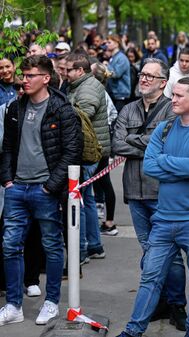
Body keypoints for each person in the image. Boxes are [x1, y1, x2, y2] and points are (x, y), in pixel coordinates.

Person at [116, 77, 189, 337]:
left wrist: (166, 162)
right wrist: (181, 166)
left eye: (178, 95)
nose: (172, 99)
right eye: (172, 94)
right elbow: (149, 167)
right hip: (163, 219)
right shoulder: (163, 128)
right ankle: (133, 331)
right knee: (150, 278)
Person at [0, 55, 82, 326]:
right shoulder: (16, 107)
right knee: (10, 245)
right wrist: (8, 180)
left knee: (52, 245)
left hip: (44, 189)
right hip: (17, 188)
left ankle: (51, 302)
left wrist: (50, 186)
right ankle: (13, 305)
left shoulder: (62, 109)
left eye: (30, 75)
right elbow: (8, 147)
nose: (24, 79)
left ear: (45, 78)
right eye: (23, 75)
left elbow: (72, 151)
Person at [112, 58, 188, 331]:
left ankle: (177, 305)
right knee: (149, 250)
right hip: (134, 191)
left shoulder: (172, 110)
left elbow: (167, 143)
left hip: (163, 192)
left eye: (150, 76)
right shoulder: (128, 109)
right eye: (142, 74)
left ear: (162, 82)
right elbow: (117, 143)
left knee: (172, 253)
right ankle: (159, 302)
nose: (143, 79)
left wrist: (139, 143)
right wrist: (147, 144)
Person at [65, 53, 109, 262]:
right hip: (90, 152)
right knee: (87, 199)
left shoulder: (88, 87)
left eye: (68, 69)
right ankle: (94, 245)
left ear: (79, 71)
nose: (64, 73)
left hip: (87, 152)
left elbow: (83, 115)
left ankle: (81, 249)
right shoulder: (80, 85)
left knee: (78, 200)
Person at [105, 34, 131, 111]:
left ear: (116, 43)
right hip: (114, 94)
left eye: (109, 42)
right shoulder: (113, 57)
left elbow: (116, 74)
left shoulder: (121, 58)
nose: (106, 44)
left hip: (121, 95)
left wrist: (106, 65)